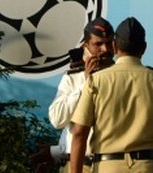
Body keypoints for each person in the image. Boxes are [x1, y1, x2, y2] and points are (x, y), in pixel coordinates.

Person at [69, 18, 153, 173]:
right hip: (149, 167)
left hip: (107, 167)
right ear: (144, 48)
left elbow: (79, 133)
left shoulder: (96, 80)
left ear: (114, 46)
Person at [46, 18, 115, 170]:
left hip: (111, 164)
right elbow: (57, 120)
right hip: (78, 165)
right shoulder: (74, 76)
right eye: (98, 44)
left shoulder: (121, 77)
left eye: (109, 43)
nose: (105, 49)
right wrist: (86, 83)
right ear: (86, 46)